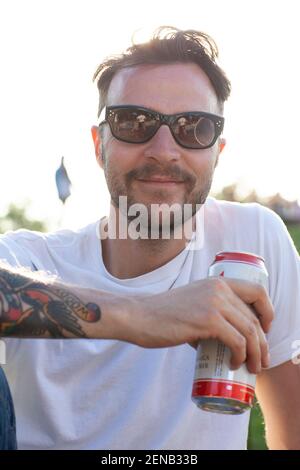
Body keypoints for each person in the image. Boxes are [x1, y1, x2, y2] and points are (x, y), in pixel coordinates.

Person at [0, 26, 300, 450]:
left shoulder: (253, 240)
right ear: (98, 144)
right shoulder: (30, 260)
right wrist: (143, 314)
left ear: (218, 149)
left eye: (194, 127)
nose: (163, 149)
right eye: (133, 122)